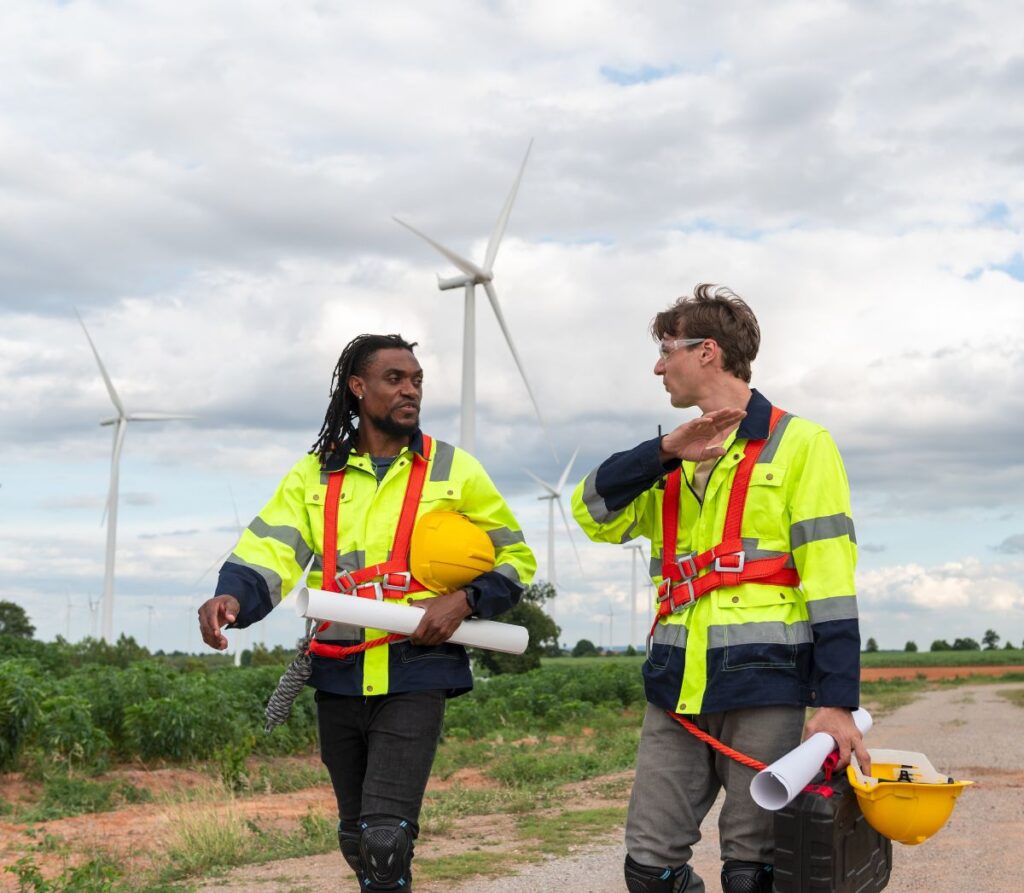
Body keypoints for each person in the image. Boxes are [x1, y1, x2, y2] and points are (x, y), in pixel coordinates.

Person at [198, 333, 535, 891]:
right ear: (358, 388)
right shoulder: (315, 474)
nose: (411, 391)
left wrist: (468, 599)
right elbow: (271, 549)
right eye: (395, 379)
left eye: (417, 381)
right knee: (358, 839)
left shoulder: (455, 469)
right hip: (338, 669)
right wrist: (233, 596)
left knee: (386, 838)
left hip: (418, 667)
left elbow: (517, 557)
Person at [571, 285, 867, 893]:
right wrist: (660, 452)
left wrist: (835, 700)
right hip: (676, 685)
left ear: (707, 352)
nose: (657, 366)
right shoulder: (671, 457)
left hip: (766, 684)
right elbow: (589, 513)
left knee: (752, 873)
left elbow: (831, 583)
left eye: (665, 350)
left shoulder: (802, 445)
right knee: (648, 870)